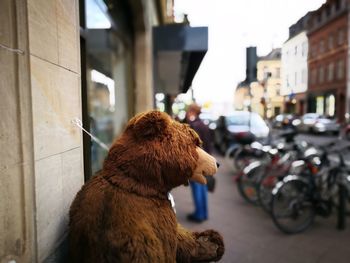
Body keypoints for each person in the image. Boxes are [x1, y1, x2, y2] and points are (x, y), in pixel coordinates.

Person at [185, 103, 213, 223]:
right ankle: (204, 213)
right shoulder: (203, 125)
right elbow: (209, 143)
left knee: (197, 187)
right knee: (203, 187)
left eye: (188, 110)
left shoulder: (193, 125)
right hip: (205, 159)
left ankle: (199, 215)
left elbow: (191, 146)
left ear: (192, 111)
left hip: (196, 161)